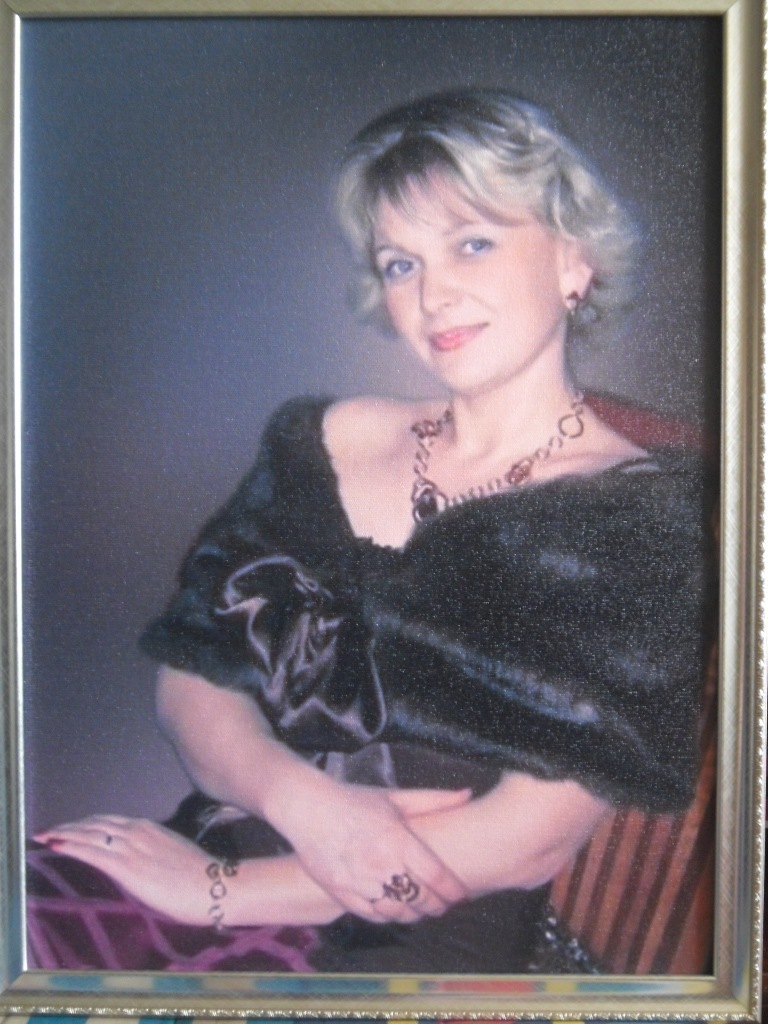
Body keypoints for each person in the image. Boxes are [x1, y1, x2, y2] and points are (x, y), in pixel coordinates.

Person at [28, 88, 713, 974]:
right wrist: (306, 805)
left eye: (472, 243)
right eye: (400, 263)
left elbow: (527, 841)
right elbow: (190, 677)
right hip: (231, 841)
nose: (434, 295)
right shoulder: (327, 439)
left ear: (572, 259)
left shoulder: (640, 518)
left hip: (405, 940)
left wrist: (222, 893)